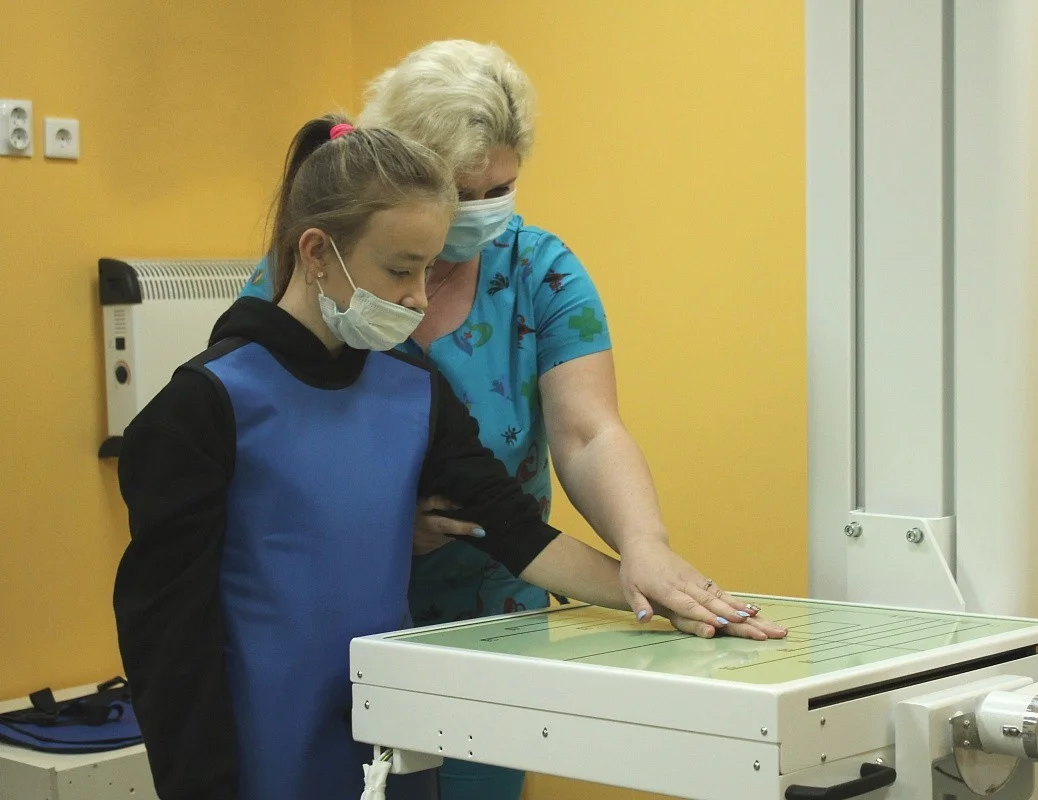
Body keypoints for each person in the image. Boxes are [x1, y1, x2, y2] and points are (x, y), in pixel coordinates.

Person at [112, 115, 786, 800]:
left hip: (395, 744)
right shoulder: (205, 406)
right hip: (260, 752)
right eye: (400, 269)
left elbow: (517, 533)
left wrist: (661, 589)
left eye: (429, 269)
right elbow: (166, 639)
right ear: (317, 253)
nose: (417, 296)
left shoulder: (412, 393)